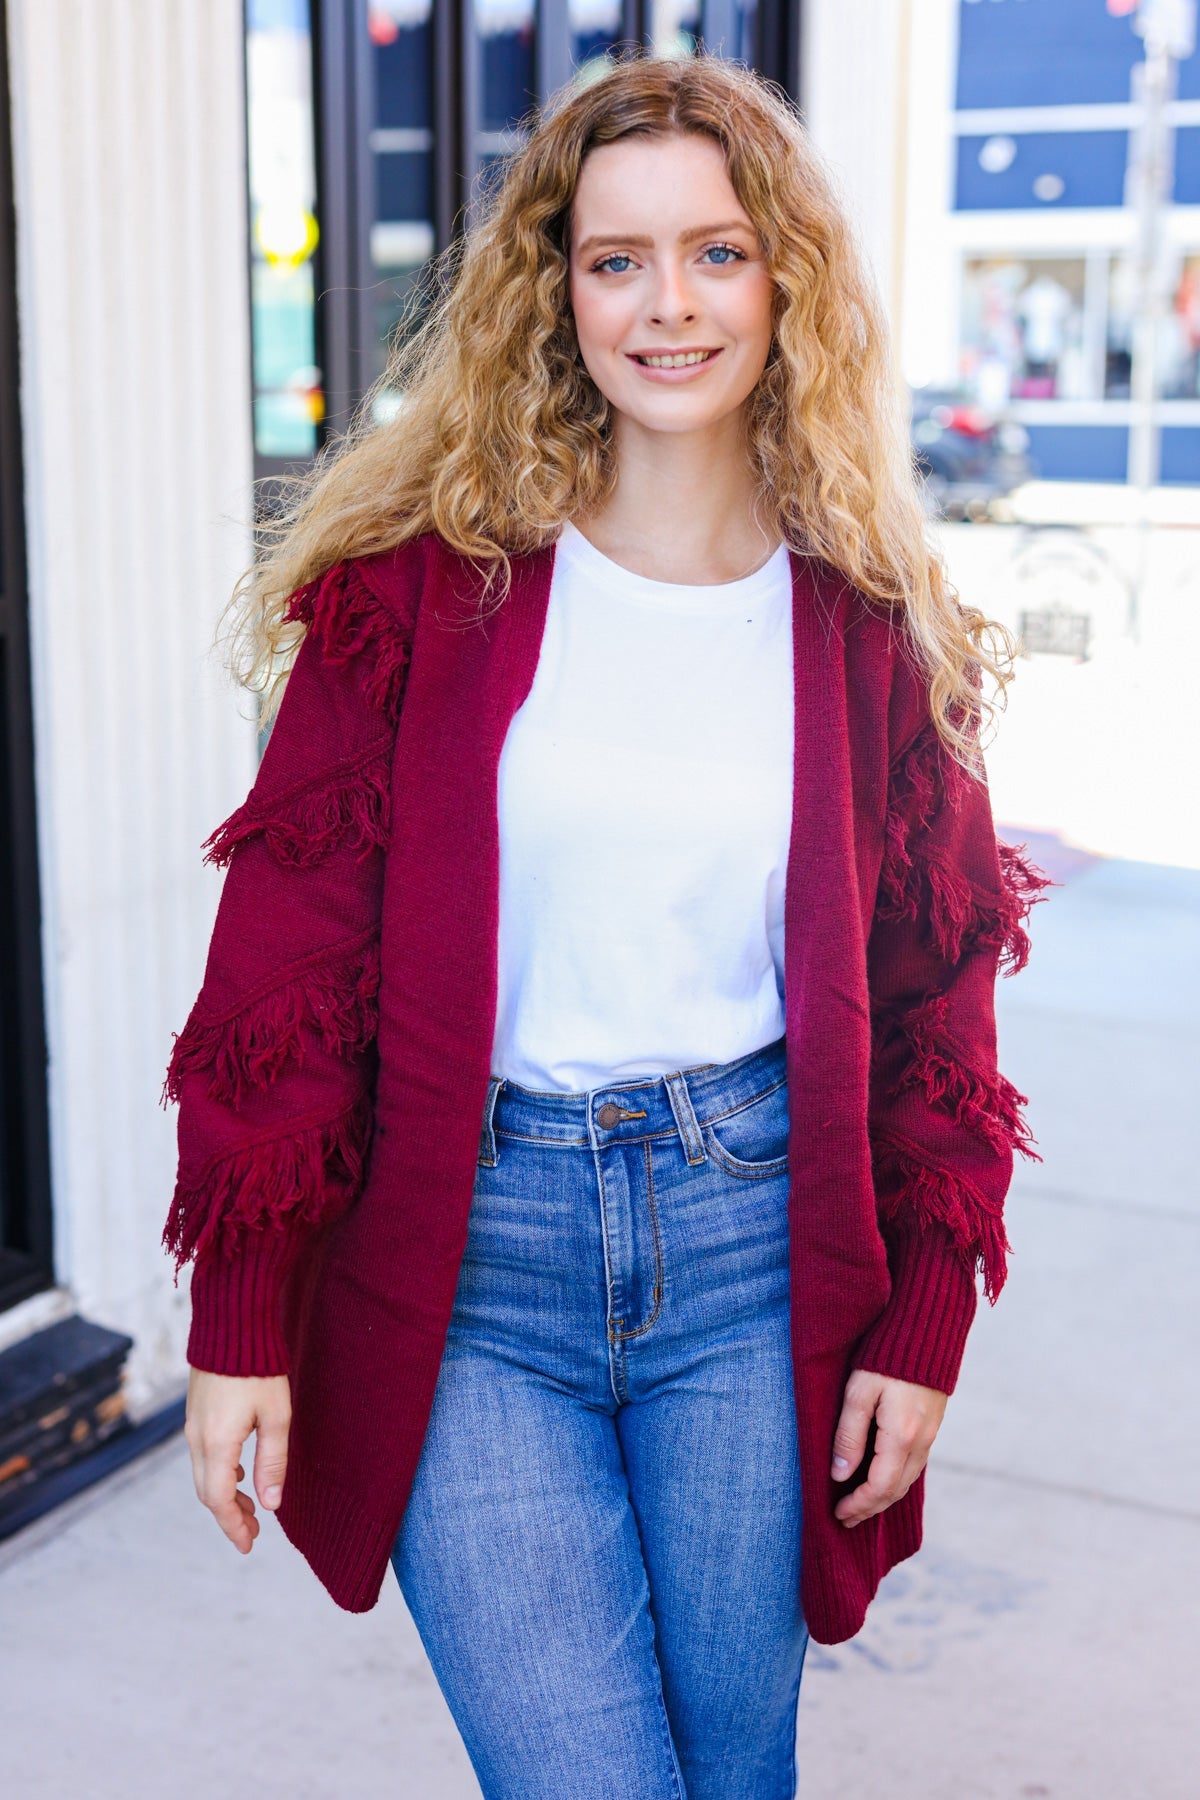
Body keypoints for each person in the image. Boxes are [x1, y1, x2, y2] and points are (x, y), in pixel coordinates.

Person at [164, 50, 1050, 1800]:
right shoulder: (414, 594)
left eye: (716, 253)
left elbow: (939, 994)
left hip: (751, 1257)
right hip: (468, 1262)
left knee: (735, 1773)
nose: (668, 306)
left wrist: (927, 1306)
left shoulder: (870, 624)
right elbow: (285, 960)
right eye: (615, 258)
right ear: (553, 292)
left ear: (786, 281)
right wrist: (241, 1312)